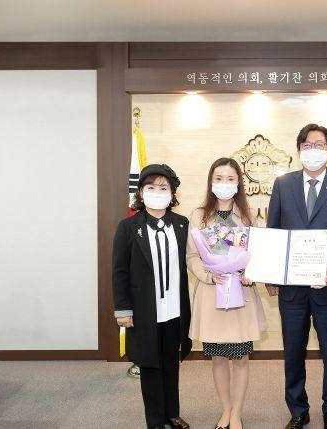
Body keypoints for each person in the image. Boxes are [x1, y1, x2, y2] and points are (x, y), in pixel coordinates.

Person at [266, 123, 327, 429]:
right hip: (292, 288)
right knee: (293, 352)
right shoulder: (283, 184)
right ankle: (298, 411)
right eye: (307, 145)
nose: (313, 150)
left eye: (319, 145)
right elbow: (273, 231)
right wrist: (271, 274)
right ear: (299, 150)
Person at [187, 157, 267, 429]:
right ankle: (226, 409)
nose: (224, 183)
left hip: (241, 297)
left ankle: (237, 413)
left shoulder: (250, 216)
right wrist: (210, 275)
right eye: (219, 178)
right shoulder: (198, 215)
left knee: (241, 358)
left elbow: (259, 254)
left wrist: (250, 273)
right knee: (219, 358)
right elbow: (192, 257)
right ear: (211, 182)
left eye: (230, 179)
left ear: (238, 183)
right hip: (212, 296)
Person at [112, 164, 192, 429]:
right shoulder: (128, 227)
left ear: (172, 193)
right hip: (144, 309)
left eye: (163, 187)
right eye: (151, 187)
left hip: (174, 308)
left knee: (171, 363)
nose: (157, 192)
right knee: (150, 365)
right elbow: (119, 270)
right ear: (141, 192)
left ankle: (172, 413)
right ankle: (155, 420)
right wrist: (123, 309)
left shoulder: (182, 224)